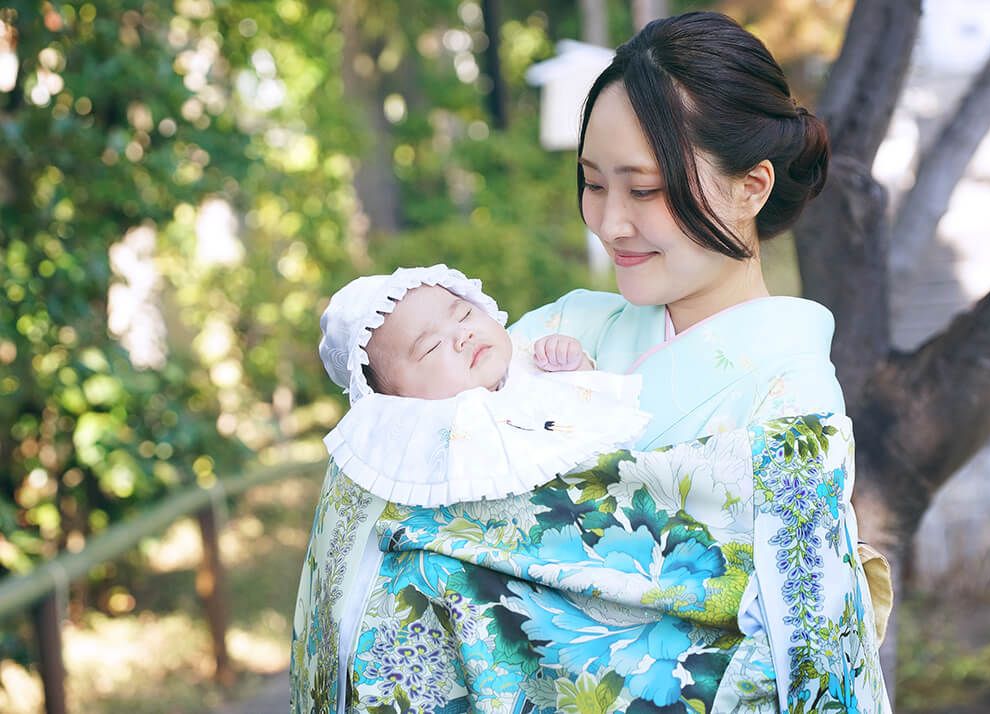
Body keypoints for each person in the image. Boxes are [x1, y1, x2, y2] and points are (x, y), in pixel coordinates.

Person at [290, 11, 891, 714]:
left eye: (643, 189)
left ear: (751, 187)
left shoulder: (794, 404)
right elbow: (389, 458)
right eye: (593, 183)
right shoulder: (559, 327)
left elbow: (805, 661)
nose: (609, 223)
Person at [315, 264, 650, 506]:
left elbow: (584, 399)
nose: (463, 335)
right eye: (431, 347)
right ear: (395, 402)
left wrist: (573, 364)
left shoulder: (526, 360)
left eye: (463, 314)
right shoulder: (421, 437)